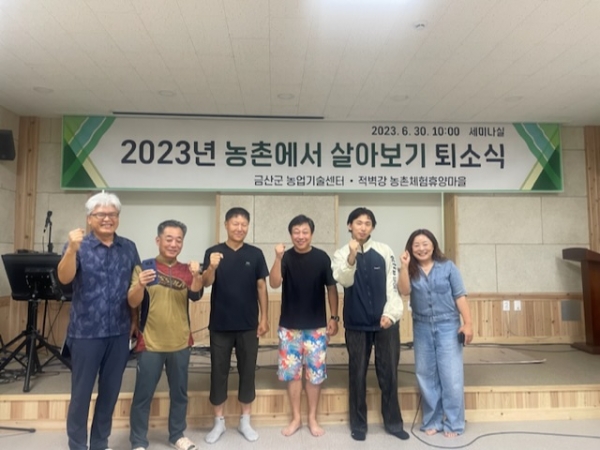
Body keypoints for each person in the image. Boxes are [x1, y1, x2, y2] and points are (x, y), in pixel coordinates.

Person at [57, 191, 140, 450]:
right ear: (89, 218)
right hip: (86, 332)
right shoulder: (77, 246)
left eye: (112, 214)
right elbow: (64, 278)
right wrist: (71, 249)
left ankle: (99, 444)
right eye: (101, 214)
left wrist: (134, 319)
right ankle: (77, 445)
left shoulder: (129, 247)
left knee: (110, 393)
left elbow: (135, 285)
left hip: (119, 331)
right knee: (81, 395)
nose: (107, 218)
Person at [331, 207, 409, 442]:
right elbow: (344, 279)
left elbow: (393, 286)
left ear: (372, 227)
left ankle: (393, 423)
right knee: (357, 375)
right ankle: (358, 425)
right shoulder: (340, 253)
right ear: (349, 226)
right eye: (358, 223)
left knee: (389, 374)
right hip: (356, 324)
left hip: (385, 324)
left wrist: (391, 314)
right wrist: (351, 256)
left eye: (367, 223)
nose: (363, 227)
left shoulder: (384, 251)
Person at [127, 220, 203, 450]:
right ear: (158, 240)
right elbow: (133, 301)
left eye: (178, 240)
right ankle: (138, 441)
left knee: (179, 394)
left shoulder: (186, 270)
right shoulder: (143, 267)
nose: (173, 244)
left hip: (180, 342)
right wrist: (140, 285)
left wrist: (197, 274)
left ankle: (177, 435)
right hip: (150, 343)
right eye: (169, 239)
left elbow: (196, 294)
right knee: (143, 395)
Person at [202, 207, 269, 444]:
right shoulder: (213, 252)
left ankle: (245, 421)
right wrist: (211, 267)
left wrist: (264, 317)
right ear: (226, 225)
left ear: (247, 226)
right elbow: (206, 283)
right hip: (220, 325)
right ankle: (218, 422)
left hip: (248, 325)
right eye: (235, 223)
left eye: (243, 224)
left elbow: (261, 287)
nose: (239, 228)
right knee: (218, 372)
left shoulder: (256, 254)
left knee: (248, 372)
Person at [269, 214, 339, 437]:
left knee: (315, 375)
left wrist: (334, 317)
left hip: (316, 327)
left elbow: (331, 288)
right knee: (293, 375)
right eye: (296, 232)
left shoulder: (321, 258)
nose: (300, 236)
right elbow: (274, 283)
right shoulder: (286, 258)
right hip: (289, 327)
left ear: (311, 234)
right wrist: (278, 258)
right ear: (291, 235)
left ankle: (312, 418)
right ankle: (296, 418)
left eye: (305, 232)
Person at [398, 229, 472, 438]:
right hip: (421, 326)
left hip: (448, 325)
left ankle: (454, 423)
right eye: (416, 245)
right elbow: (404, 291)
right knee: (426, 375)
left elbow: (460, 296)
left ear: (433, 245)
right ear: (410, 248)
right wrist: (404, 267)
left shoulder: (448, 267)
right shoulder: (410, 269)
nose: (421, 248)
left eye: (425, 244)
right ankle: (432, 421)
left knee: (451, 376)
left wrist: (468, 323)